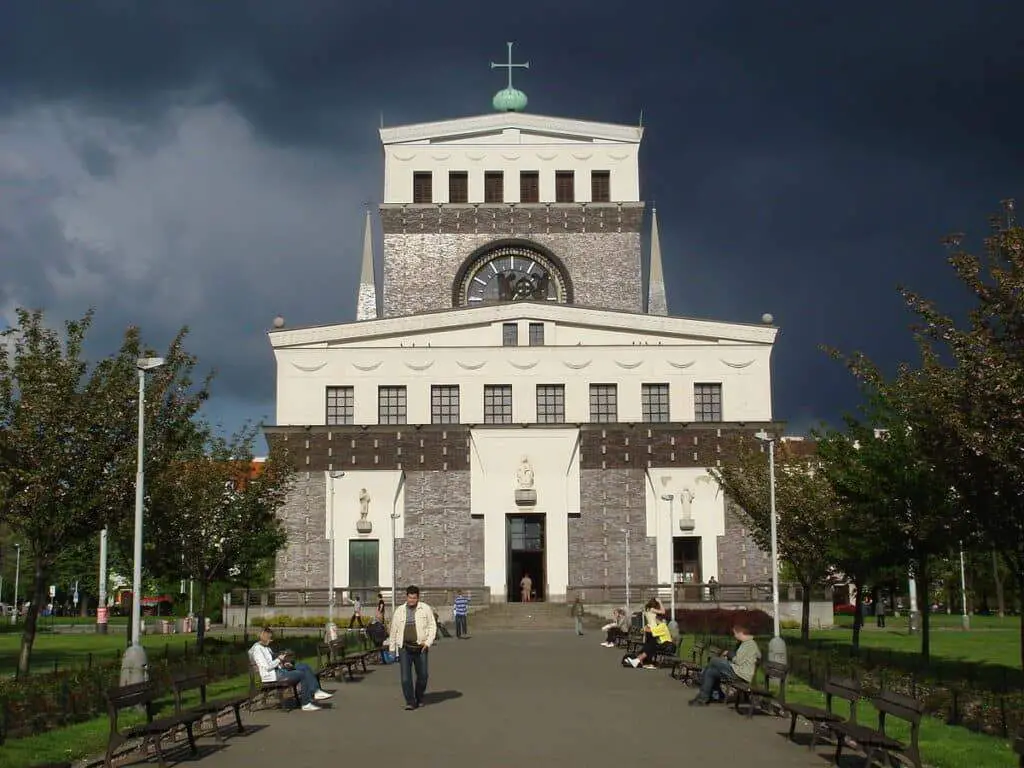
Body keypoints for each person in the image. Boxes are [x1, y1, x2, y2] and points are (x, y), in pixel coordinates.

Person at [250, 627, 332, 711]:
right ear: (264, 637)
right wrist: (279, 659)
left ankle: (316, 691)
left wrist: (283, 665)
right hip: (272, 676)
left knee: (304, 666)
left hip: (279, 671)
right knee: (302, 675)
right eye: (270, 638)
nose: (271, 640)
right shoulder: (258, 649)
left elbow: (273, 662)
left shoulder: (266, 648)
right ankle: (306, 703)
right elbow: (267, 667)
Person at [387, 585, 437, 710]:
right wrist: (392, 649)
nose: (412, 600)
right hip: (405, 648)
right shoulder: (399, 611)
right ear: (406, 597)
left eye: (414, 598)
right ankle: (410, 701)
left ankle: (419, 697)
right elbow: (393, 631)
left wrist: (428, 643)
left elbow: (432, 626)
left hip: (421, 647)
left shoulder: (425, 609)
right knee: (405, 678)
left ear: (418, 598)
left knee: (423, 676)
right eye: (410, 598)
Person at [689, 623, 761, 706]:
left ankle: (701, 676)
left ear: (741, 633)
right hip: (736, 670)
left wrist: (729, 654)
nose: (734, 636)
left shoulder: (750, 644)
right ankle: (705, 698)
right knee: (711, 672)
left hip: (741, 674)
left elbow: (738, 661)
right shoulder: (745, 644)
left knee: (714, 660)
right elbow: (754, 656)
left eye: (735, 633)